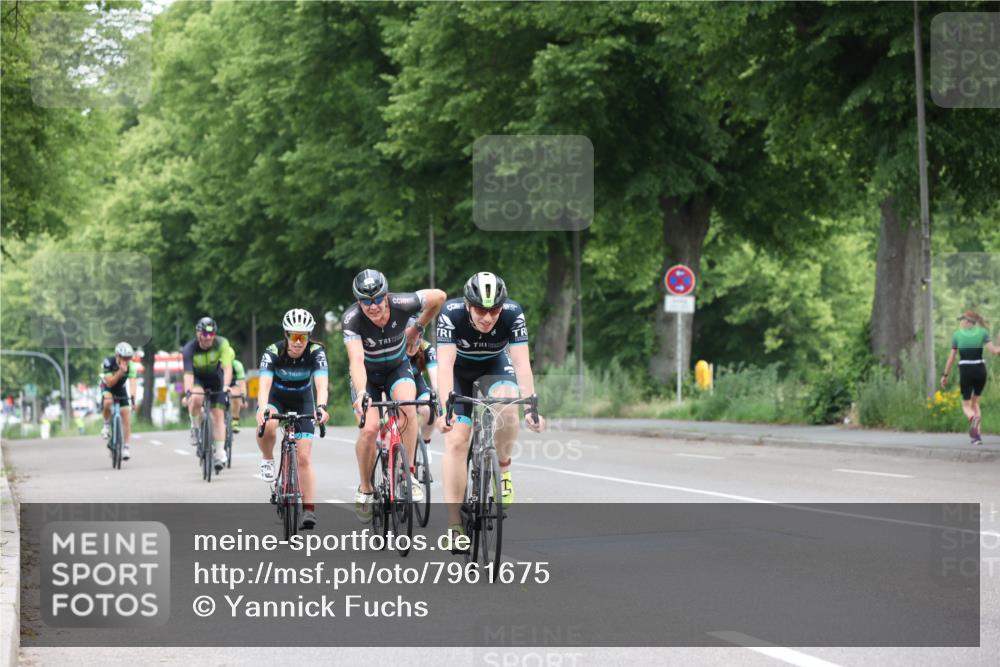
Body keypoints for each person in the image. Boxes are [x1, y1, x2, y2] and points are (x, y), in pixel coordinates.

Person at [435, 272, 543, 547]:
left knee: (508, 407)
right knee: (457, 440)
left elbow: (521, 364)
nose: (488, 317)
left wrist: (531, 406)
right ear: (468, 306)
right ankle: (454, 524)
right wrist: (446, 409)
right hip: (458, 371)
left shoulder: (513, 313)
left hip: (495, 365)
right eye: (481, 310)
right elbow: (444, 366)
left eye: (494, 310)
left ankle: (503, 471)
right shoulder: (451, 313)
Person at [343, 269, 446, 522]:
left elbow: (439, 297)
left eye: (378, 299)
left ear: (386, 295)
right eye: (365, 301)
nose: (373, 306)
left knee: (408, 408)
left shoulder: (403, 303)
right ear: (358, 301)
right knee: (369, 429)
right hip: (367, 376)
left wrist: (418, 327)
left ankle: (407, 473)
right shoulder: (352, 319)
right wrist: (361, 392)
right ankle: (365, 487)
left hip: (397, 369)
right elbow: (356, 360)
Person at [256, 308, 329, 530]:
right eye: (294, 336)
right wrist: (262, 408)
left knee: (304, 457)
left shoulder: (316, 352)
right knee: (268, 424)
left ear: (309, 337)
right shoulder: (273, 351)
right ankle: (267, 457)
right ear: (286, 334)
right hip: (276, 398)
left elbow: (321, 385)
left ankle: (309, 510)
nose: (298, 342)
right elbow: (264, 385)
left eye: (303, 337)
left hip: (302, 400)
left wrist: (321, 407)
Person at [181, 317, 234, 472]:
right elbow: (188, 375)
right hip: (198, 379)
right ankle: (194, 426)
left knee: (218, 415)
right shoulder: (189, 349)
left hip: (216, 379)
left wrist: (226, 386)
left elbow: (227, 367)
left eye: (211, 334)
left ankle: (220, 452)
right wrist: (188, 394)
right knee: (196, 397)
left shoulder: (222, 343)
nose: (208, 337)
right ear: (198, 334)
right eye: (204, 334)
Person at [941, 310, 1000, 445]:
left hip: (966, 370)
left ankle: (973, 418)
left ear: (968, 321)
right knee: (976, 403)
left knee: (966, 405)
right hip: (980, 370)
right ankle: (977, 437)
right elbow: (994, 351)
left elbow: (951, 358)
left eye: (962, 320)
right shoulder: (983, 333)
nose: (960, 323)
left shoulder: (957, 335)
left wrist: (945, 375)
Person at [100, 342, 138, 460]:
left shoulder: (131, 365)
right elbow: (110, 383)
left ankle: (126, 447)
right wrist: (120, 372)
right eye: (124, 358)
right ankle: (106, 424)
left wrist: (133, 400)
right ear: (118, 356)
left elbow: (132, 383)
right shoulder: (108, 362)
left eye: (129, 358)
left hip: (120, 388)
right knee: (108, 402)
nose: (127, 360)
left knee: (126, 416)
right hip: (108, 386)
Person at [408, 316, 439, 451]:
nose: (412, 346)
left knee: (430, 409)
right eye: (408, 341)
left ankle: (425, 443)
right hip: (393, 383)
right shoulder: (393, 348)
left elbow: (436, 380)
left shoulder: (426, 348)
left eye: (416, 341)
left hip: (416, 380)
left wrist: (440, 400)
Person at [229, 357, 248, 433]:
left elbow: (242, 383)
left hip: (232, 385)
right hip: (218, 384)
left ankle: (235, 421)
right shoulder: (216, 363)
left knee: (236, 393)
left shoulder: (237, 365)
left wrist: (243, 399)